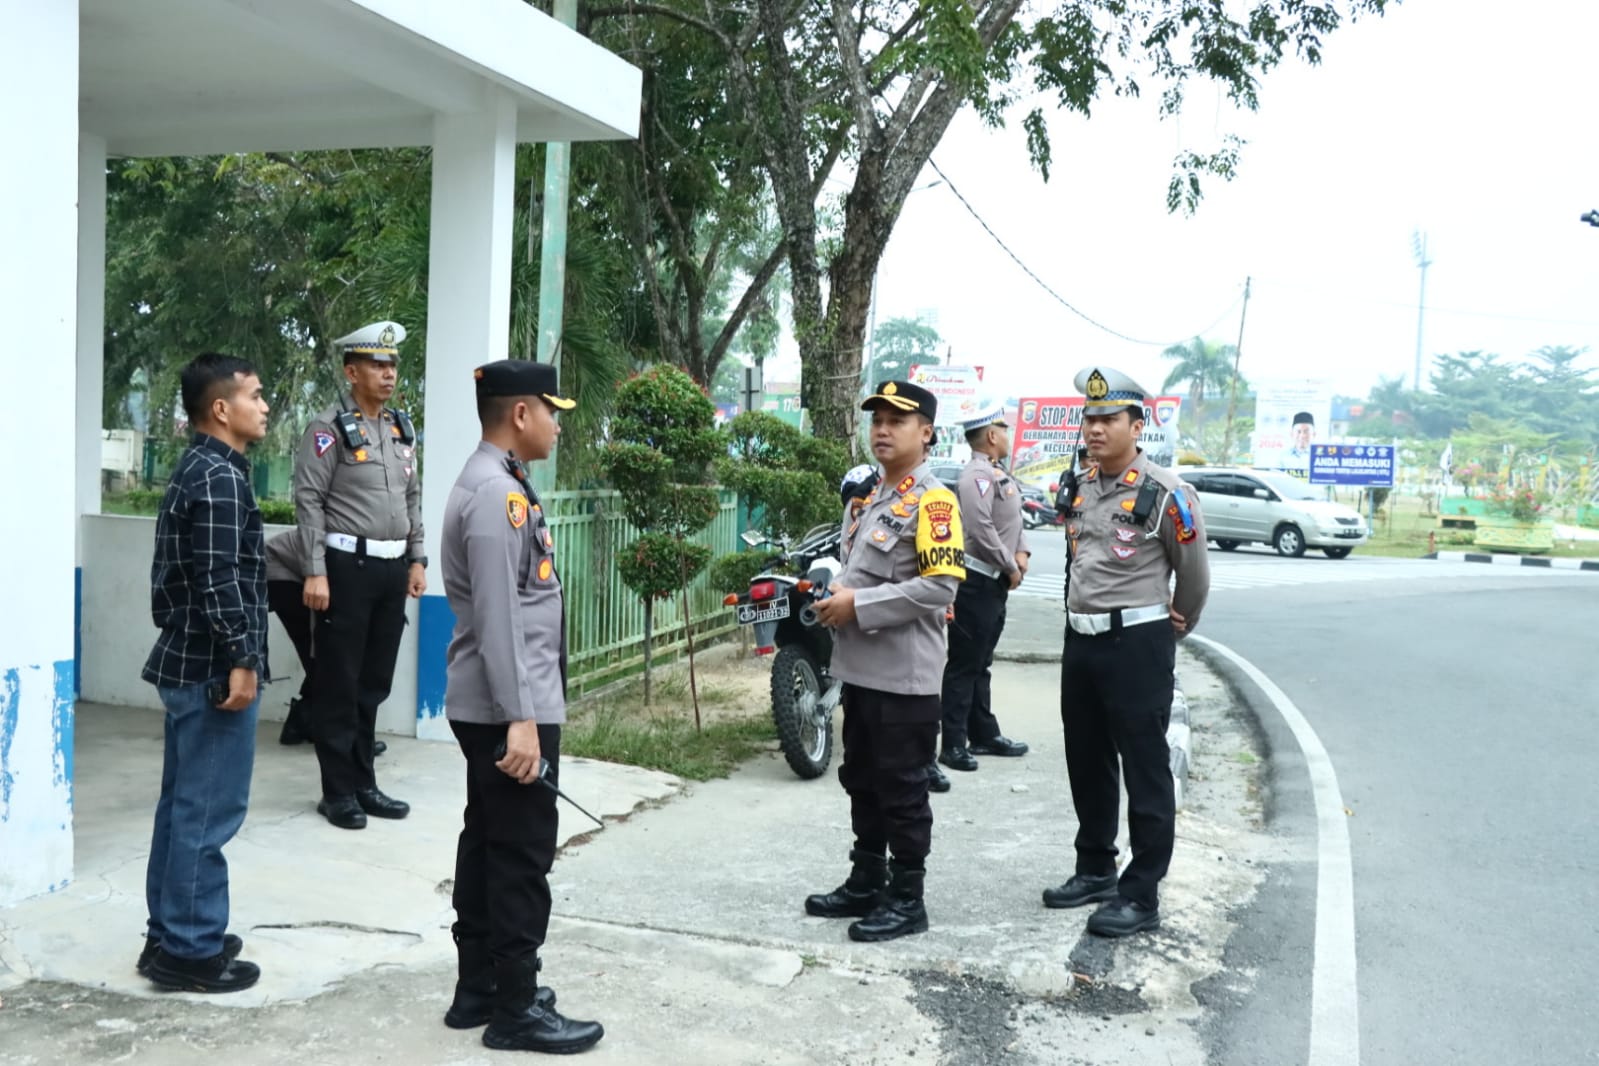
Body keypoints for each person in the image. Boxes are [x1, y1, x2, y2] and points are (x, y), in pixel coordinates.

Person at [438, 359, 603, 1054]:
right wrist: (522, 716)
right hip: (508, 706)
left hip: (502, 701)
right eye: (551, 410)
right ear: (520, 414)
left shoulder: (502, 485)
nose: (558, 424)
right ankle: (514, 1009)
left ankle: (480, 987)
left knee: (488, 842)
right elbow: (501, 618)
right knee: (519, 855)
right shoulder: (493, 497)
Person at [1044, 367, 1210, 938]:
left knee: (1144, 767)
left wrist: (1172, 626)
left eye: (1109, 419)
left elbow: (1194, 576)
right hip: (1081, 640)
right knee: (1085, 758)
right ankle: (1095, 867)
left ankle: (1140, 893)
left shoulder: (1165, 492)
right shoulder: (1082, 487)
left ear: (1136, 426)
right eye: (1089, 418)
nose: (1095, 429)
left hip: (1137, 644)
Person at [805, 380, 965, 942]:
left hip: (905, 676)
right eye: (876, 419)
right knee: (862, 780)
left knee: (901, 788)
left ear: (926, 433)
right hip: (861, 671)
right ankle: (867, 879)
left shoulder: (934, 502)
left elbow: (941, 587)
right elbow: (856, 573)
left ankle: (907, 897)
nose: (882, 429)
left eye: (897, 420)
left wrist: (858, 605)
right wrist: (833, 596)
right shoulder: (869, 499)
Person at [137, 352, 270, 993]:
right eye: (255, 395)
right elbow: (219, 581)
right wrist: (243, 660)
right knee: (208, 812)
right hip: (211, 670)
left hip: (187, 662)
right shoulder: (219, 478)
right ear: (222, 408)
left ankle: (169, 933)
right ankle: (189, 950)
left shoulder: (199, 467)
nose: (264, 405)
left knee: (182, 806)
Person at [292, 321, 426, 829]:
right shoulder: (327, 430)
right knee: (339, 683)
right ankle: (337, 792)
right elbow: (308, 499)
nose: (388, 374)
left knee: (373, 683)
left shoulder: (399, 429)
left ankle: (365, 783)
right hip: (345, 568)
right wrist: (314, 571)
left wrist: (417, 559)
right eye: (377, 365)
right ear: (352, 372)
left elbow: (411, 498)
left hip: (392, 570)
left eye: (392, 365)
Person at [937, 401, 1031, 777]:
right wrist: (1009, 564)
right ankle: (953, 744)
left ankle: (983, 733)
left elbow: (1014, 521)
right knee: (964, 665)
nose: (1008, 435)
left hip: (995, 582)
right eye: (1004, 429)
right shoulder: (975, 476)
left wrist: (1021, 553)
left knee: (982, 663)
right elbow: (979, 529)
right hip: (976, 581)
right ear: (992, 436)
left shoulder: (997, 473)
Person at [264, 530, 384, 756]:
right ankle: (339, 734)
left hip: (293, 570)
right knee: (327, 652)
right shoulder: (347, 549)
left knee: (329, 653)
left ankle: (303, 721)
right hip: (280, 573)